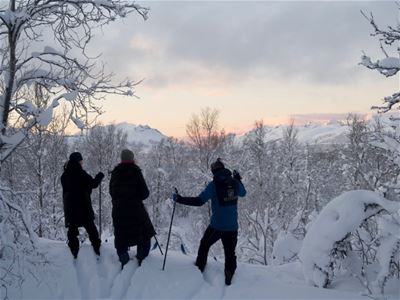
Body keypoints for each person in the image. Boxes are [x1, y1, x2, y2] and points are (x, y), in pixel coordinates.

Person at [173, 158, 246, 286]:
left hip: (217, 226)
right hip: (232, 226)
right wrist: (238, 179)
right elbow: (243, 193)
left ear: (213, 171)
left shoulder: (213, 185)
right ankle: (229, 276)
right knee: (230, 252)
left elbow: (199, 201)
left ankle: (199, 268)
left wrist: (180, 199)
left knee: (204, 244)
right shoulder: (234, 182)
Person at [109, 149, 156, 269]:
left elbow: (111, 192)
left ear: (121, 159)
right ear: (132, 159)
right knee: (144, 234)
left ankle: (123, 257)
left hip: (119, 211)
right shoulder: (136, 172)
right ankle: (141, 258)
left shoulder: (115, 173)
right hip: (136, 211)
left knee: (121, 234)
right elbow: (145, 193)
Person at [61, 152, 104, 259]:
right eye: (81, 160)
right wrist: (100, 176)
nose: (82, 162)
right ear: (78, 161)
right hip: (83, 205)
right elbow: (93, 184)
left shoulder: (64, 175)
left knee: (72, 227)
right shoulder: (81, 173)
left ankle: (74, 250)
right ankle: (97, 247)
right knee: (90, 226)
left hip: (70, 206)